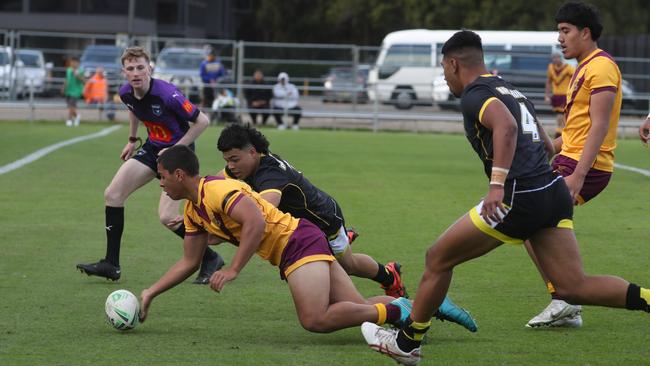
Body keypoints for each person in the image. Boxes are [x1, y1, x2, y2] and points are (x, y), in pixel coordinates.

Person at [361, 30, 649, 366]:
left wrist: (497, 184)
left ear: (454, 64)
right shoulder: (508, 87)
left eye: (443, 68)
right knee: (573, 286)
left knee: (438, 258)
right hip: (551, 190)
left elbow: (507, 127)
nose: (444, 75)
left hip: (519, 196)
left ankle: (407, 343)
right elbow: (542, 141)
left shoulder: (474, 94)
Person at [215, 124, 478, 332]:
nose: (231, 166)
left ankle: (423, 303)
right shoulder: (248, 165)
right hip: (307, 230)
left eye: (234, 159)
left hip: (322, 224)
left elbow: (263, 210)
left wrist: (223, 220)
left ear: (252, 152)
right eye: (228, 160)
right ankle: (394, 280)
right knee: (347, 272)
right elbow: (217, 181)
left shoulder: (269, 174)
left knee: (349, 295)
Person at [139, 144, 414, 333]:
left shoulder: (215, 190)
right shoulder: (192, 211)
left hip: (297, 241)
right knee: (359, 307)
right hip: (298, 241)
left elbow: (255, 222)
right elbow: (189, 261)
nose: (160, 183)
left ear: (178, 174)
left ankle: (398, 313)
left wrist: (233, 268)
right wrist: (151, 292)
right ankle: (421, 308)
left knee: (314, 319)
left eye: (161, 177)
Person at [76, 46, 224, 284]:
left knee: (167, 217)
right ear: (124, 72)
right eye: (131, 68)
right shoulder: (126, 92)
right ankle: (111, 264)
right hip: (153, 148)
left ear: (150, 68)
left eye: (140, 67)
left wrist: (177, 148)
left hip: (177, 155)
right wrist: (132, 140)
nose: (136, 73)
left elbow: (202, 121)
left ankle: (210, 258)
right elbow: (134, 109)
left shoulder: (167, 95)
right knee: (113, 194)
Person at [524, 1, 623, 328]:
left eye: (565, 31)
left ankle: (565, 297)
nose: (560, 39)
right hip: (571, 160)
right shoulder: (583, 67)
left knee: (529, 222)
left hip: (586, 167)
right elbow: (575, 131)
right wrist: (545, 146)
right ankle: (565, 300)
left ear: (585, 32)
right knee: (529, 227)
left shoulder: (601, 67)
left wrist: (579, 174)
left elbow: (598, 125)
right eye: (559, 32)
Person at [544, 52, 575, 138]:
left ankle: (559, 135)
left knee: (561, 116)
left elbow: (575, 79)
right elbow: (548, 82)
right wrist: (547, 95)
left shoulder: (568, 68)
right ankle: (562, 134)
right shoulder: (551, 67)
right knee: (559, 117)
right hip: (556, 96)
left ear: (561, 58)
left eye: (557, 57)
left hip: (565, 95)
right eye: (554, 58)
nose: (555, 59)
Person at [62, 57, 84, 127]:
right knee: (71, 106)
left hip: (76, 91)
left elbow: (84, 81)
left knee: (71, 105)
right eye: (72, 62)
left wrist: (77, 75)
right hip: (68, 90)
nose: (73, 64)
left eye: (75, 62)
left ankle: (69, 120)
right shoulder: (68, 70)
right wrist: (63, 88)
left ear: (78, 63)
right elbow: (66, 79)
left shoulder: (81, 70)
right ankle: (77, 116)